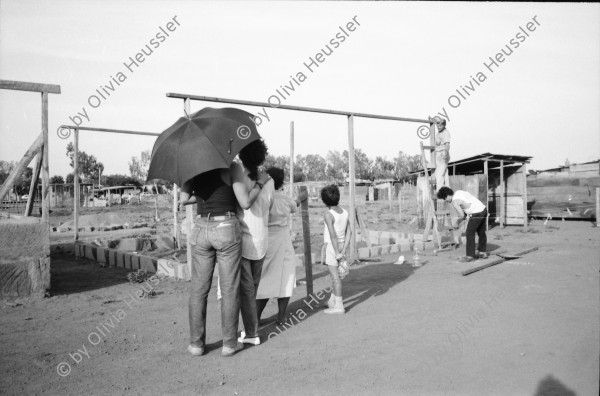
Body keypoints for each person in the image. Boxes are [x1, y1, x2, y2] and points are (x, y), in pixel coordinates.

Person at [181, 140, 270, 358]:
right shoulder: (233, 168)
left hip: (201, 228)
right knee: (230, 288)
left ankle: (196, 345)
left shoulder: (192, 169)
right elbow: (245, 202)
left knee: (199, 289)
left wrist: (205, 196)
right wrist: (259, 184)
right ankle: (229, 344)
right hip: (226, 228)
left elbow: (184, 200)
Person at [234, 140, 274, 347]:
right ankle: (250, 329)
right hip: (262, 237)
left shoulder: (239, 178)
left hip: (243, 237)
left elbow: (243, 204)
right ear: (262, 157)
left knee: (244, 289)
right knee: (253, 288)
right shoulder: (269, 180)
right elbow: (270, 205)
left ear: (241, 157)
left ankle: (250, 332)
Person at [255, 167, 307, 325]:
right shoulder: (284, 199)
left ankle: (255, 318)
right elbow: (295, 204)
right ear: (281, 182)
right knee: (286, 277)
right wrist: (301, 197)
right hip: (282, 240)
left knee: (264, 279)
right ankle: (281, 316)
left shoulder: (261, 197)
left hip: (265, 239)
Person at [321, 184, 351, 314]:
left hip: (332, 248)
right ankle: (332, 301)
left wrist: (337, 252)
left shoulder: (328, 214)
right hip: (341, 245)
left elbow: (332, 235)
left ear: (324, 200)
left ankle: (339, 306)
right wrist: (343, 249)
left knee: (335, 277)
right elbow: (349, 232)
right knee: (337, 275)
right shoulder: (345, 212)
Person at [437, 187, 488, 263]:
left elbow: (462, 215)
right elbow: (466, 207)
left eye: (444, 198)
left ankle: (470, 256)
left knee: (469, 233)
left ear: (447, 195)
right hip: (483, 209)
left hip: (476, 213)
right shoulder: (458, 192)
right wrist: (462, 218)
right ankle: (482, 252)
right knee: (481, 232)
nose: (445, 201)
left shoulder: (454, 202)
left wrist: (457, 223)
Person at [432, 116, 451, 191]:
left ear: (444, 125)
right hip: (438, 154)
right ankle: (447, 189)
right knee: (445, 173)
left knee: (439, 174)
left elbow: (447, 144)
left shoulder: (446, 132)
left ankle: (439, 191)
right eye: (437, 126)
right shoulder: (439, 132)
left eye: (440, 126)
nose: (438, 127)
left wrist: (445, 154)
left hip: (443, 153)